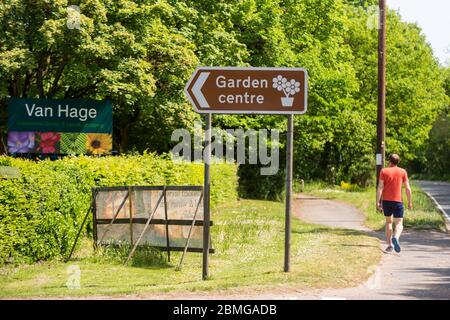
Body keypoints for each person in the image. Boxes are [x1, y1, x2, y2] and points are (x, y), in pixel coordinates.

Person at [376, 154, 412, 253]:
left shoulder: (384, 171)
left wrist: (377, 202)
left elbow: (380, 187)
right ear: (398, 162)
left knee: (388, 222)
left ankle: (389, 245)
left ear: (389, 161)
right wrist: (409, 202)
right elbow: (407, 188)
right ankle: (396, 237)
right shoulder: (403, 171)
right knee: (399, 223)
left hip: (386, 201)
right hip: (398, 201)